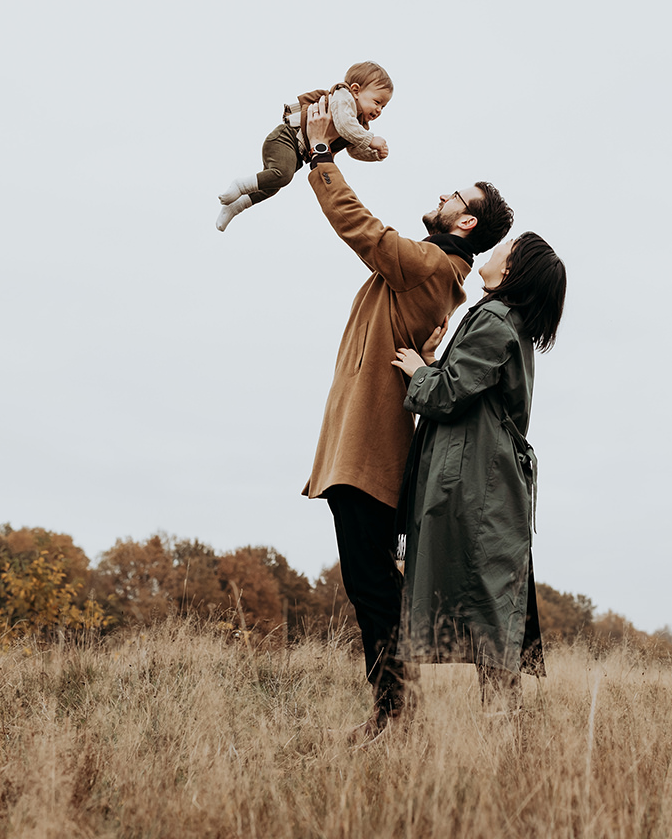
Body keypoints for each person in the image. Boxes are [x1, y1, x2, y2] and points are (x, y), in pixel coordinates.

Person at [301, 95, 514, 740]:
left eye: (457, 196)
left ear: (468, 224)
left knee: (370, 585)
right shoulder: (426, 271)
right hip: (357, 448)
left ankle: (395, 711)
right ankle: (396, 707)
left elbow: (361, 228)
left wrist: (319, 157)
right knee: (368, 582)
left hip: (370, 454)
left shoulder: (429, 267)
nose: (445, 196)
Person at [390, 231, 567, 713]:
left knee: (489, 602)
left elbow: (446, 395)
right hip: (496, 478)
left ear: (509, 272)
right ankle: (501, 724)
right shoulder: (511, 323)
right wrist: (433, 362)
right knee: (495, 600)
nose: (491, 254)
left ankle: (499, 725)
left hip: (481, 482)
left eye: (501, 252)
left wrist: (417, 369)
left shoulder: (494, 318)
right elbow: (469, 387)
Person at [215, 61, 393, 232]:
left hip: (296, 153)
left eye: (384, 107)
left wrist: (374, 154)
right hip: (287, 137)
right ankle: (239, 185)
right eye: (377, 102)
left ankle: (235, 207)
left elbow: (354, 149)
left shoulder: (358, 126)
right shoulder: (343, 97)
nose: (379, 110)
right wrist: (370, 139)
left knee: (273, 186)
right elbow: (344, 124)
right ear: (355, 90)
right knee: (283, 175)